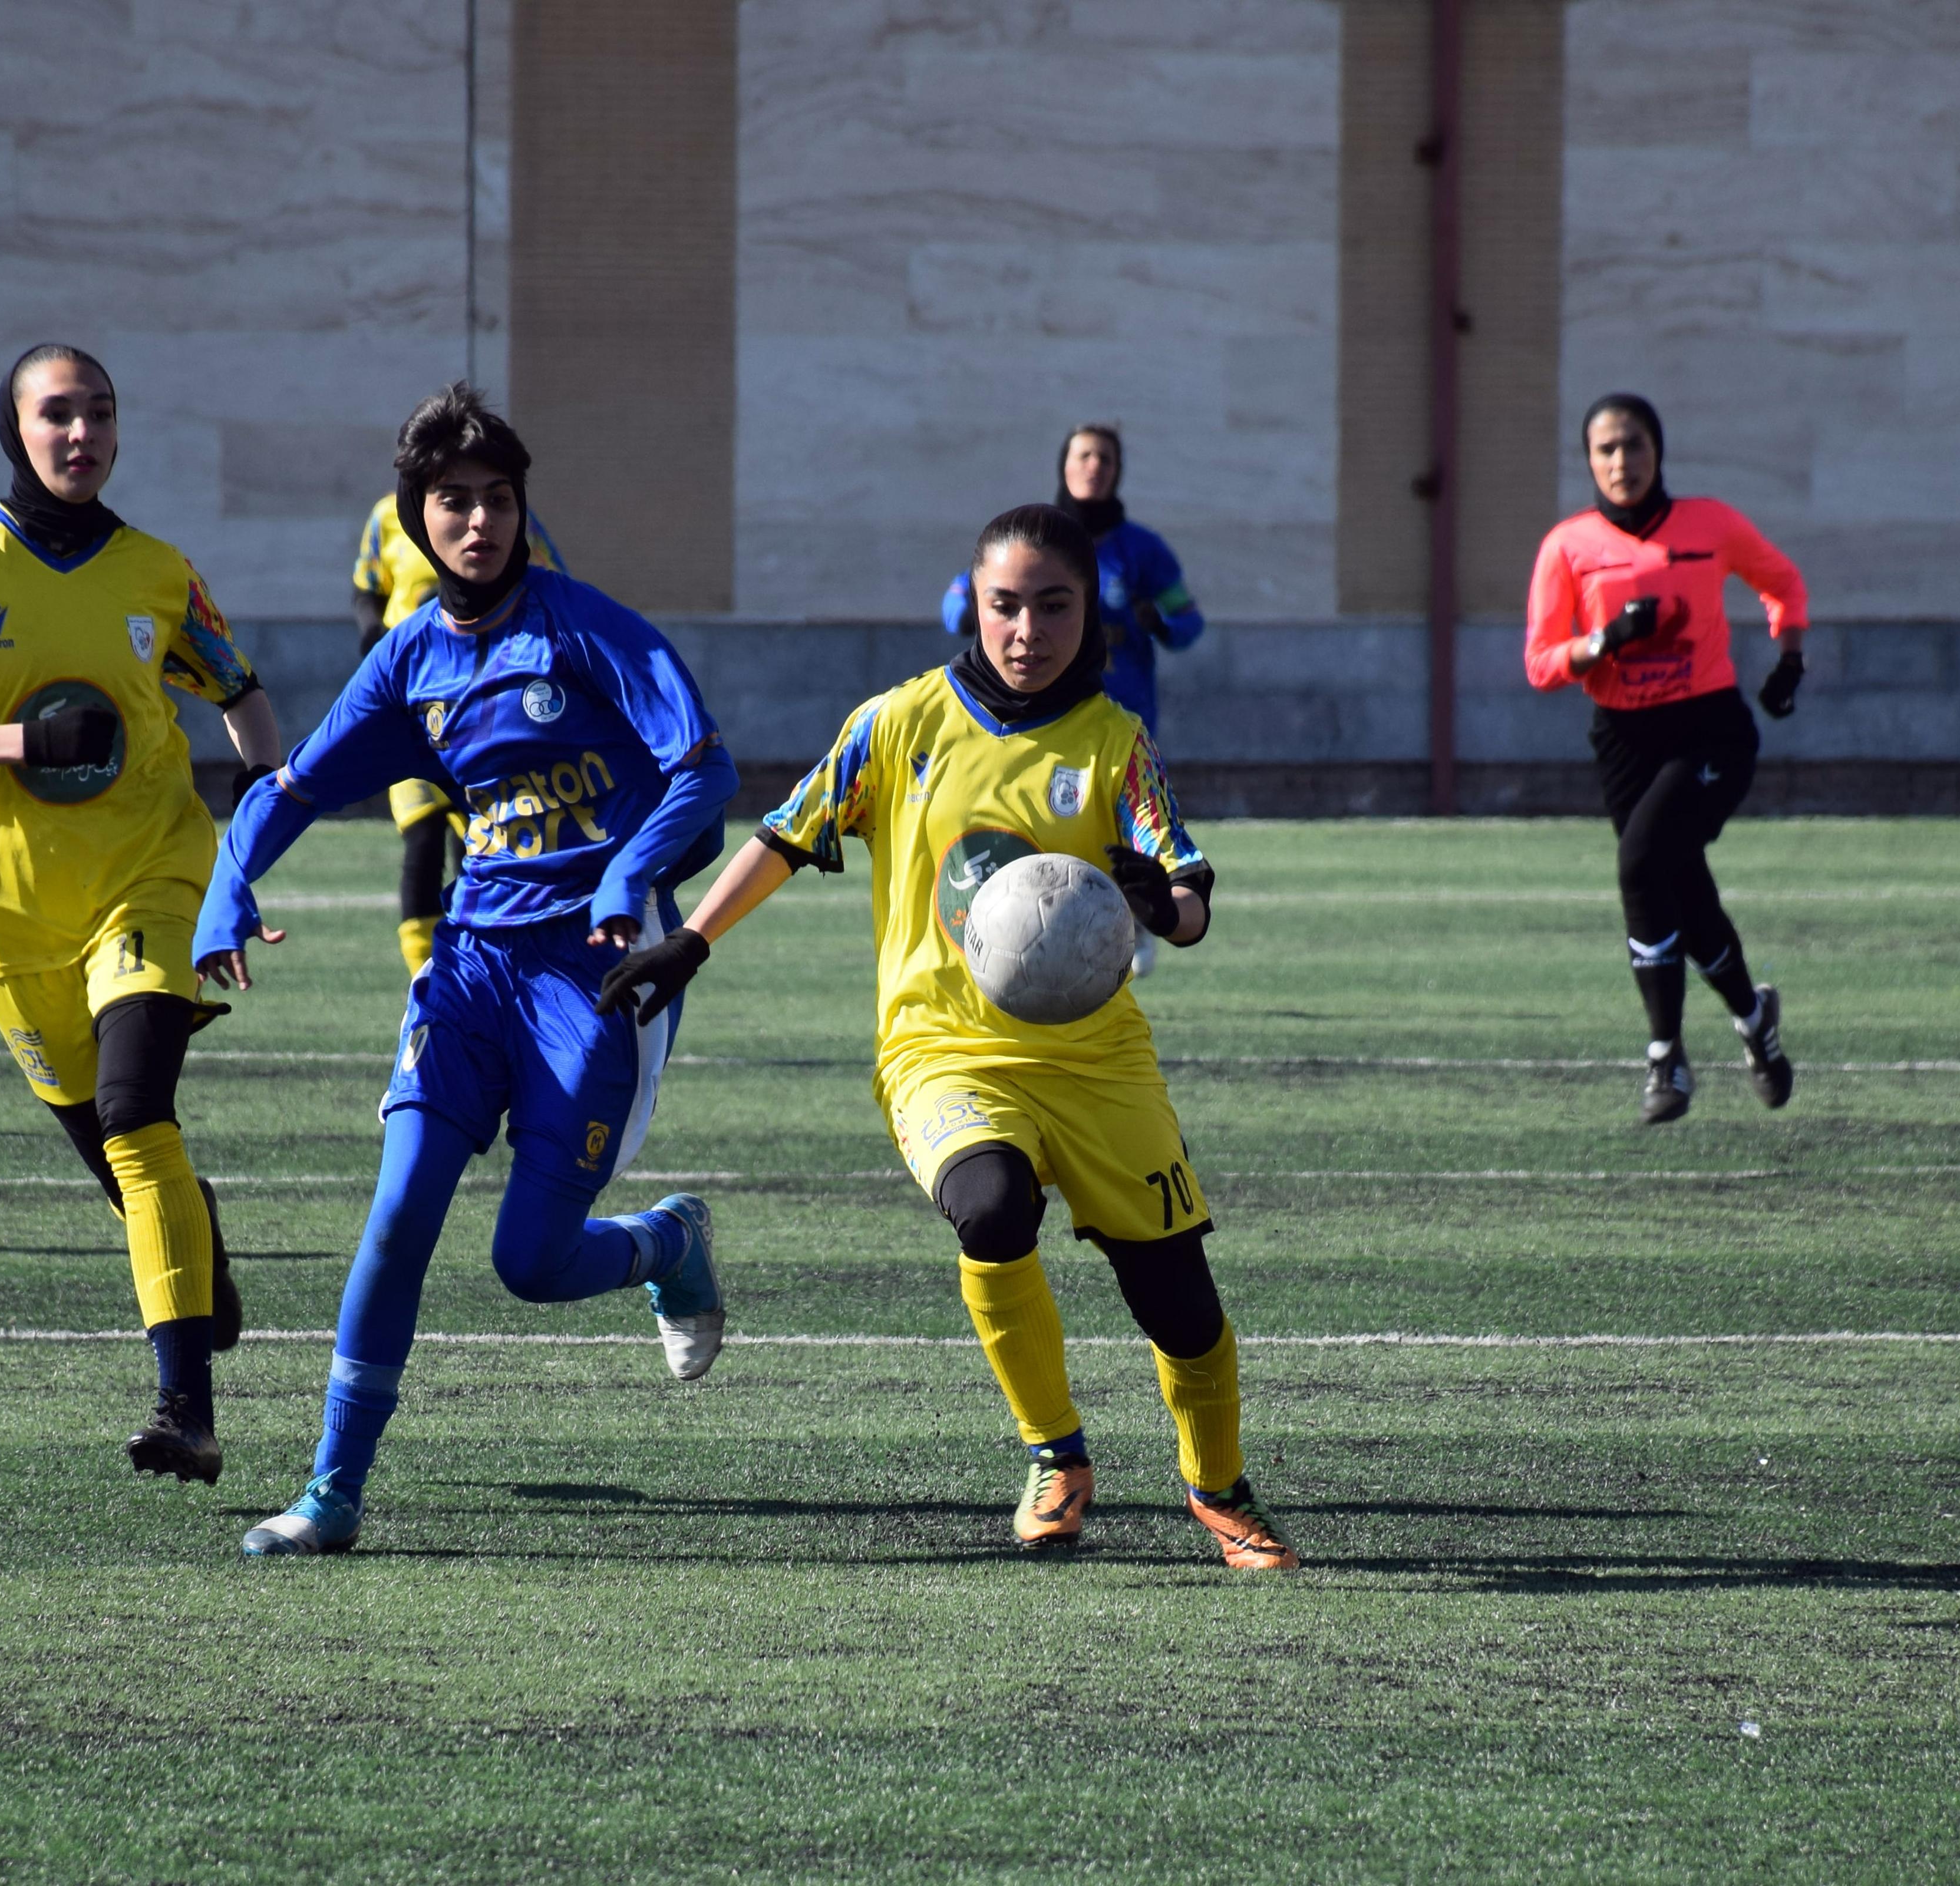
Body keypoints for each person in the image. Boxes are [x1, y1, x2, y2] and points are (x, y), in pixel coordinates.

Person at [609, 502, 1296, 1570]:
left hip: (1098, 1060)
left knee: (1179, 1304)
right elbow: (788, 835)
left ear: (1089, 611)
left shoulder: (1115, 741)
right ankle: (1055, 1455)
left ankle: (1219, 1489)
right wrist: (692, 940)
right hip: (944, 1053)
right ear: (972, 607)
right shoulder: (897, 723)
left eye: (1053, 606)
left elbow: (1192, 891)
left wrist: (1158, 909)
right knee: (991, 1204)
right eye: (1005, 606)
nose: (1028, 630)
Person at [199, 385, 737, 1557]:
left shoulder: (588, 628)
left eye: (499, 500)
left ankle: (667, 1244)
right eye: (454, 502)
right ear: (414, 519)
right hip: (468, 969)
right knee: (397, 1212)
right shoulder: (406, 664)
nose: (480, 522)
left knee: (529, 1265)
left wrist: (622, 873)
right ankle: (331, 1492)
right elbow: (289, 788)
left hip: (597, 973)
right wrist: (227, 885)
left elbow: (704, 769)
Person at [0, 343, 283, 1485]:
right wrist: (20, 741)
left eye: (101, 413)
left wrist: (246, 851)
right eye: (58, 414)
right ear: (16, 427)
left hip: (152, 878)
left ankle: (185, 1410)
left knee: (140, 1115)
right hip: (14, 924)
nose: (82, 433)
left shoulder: (157, 573)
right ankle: (203, 1256)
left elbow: (243, 696)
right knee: (124, 1163)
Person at [1524, 392, 1811, 1124]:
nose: (1622, 462)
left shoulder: (1710, 524)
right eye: (1607, 450)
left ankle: (1665, 1060)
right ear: (1588, 461)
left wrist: (1788, 659)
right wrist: (1606, 641)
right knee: (1681, 890)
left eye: (1635, 446)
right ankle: (1755, 1021)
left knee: (1641, 863)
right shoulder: (1569, 546)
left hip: (1709, 731)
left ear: (1660, 452)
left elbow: (1781, 581)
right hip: (1624, 740)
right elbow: (1541, 662)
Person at [940, 427, 1204, 979]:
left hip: (1115, 718)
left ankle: (1131, 921)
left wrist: (1161, 620)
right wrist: (971, 614)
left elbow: (1189, 620)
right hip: (1038, 718)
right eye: (1084, 455)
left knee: (1122, 834)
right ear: (1064, 464)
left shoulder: (1143, 550)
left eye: (1106, 457)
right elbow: (957, 600)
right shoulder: (1036, 543)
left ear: (1119, 469)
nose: (1095, 466)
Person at [351, 488, 566, 977]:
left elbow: (555, 582)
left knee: (482, 838)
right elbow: (366, 588)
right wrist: (377, 642)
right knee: (423, 834)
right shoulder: (388, 514)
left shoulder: (509, 519)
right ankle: (423, 978)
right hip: (414, 698)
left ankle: (485, 964)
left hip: (488, 697)